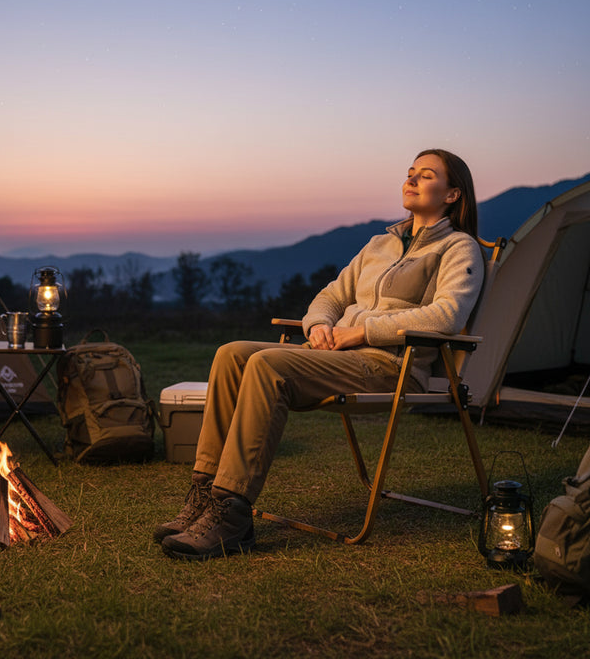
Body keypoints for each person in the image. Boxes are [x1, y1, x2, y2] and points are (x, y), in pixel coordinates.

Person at [154, 149, 485, 560]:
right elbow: (331, 295)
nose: (412, 179)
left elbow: (447, 315)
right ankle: (204, 497)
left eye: (427, 175)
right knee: (231, 353)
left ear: (453, 194)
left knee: (266, 363)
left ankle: (232, 514)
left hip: (391, 367)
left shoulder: (458, 248)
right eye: (410, 173)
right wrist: (320, 326)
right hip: (340, 357)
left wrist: (360, 332)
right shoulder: (380, 243)